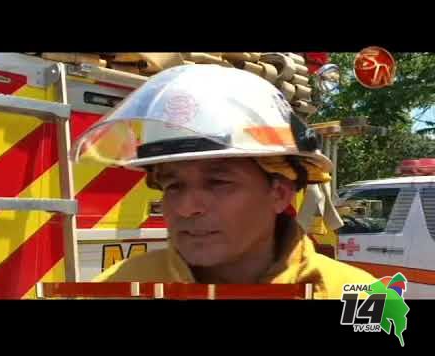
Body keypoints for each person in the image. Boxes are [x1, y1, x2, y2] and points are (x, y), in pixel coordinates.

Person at [73, 64, 377, 299]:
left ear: (280, 192)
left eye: (218, 182)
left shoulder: (358, 299)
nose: (186, 207)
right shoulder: (116, 288)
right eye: (174, 185)